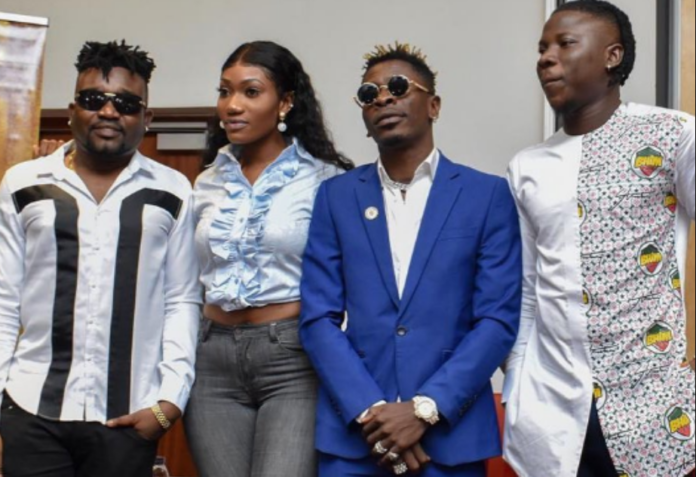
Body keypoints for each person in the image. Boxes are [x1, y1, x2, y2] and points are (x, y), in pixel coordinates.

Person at [299, 42, 522, 477]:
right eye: (369, 94)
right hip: (356, 438)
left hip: (450, 438)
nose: (383, 98)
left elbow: (496, 320)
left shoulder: (486, 195)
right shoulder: (336, 197)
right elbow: (317, 318)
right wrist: (373, 413)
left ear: (433, 105)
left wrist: (424, 409)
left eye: (398, 87)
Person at [503, 2, 696, 476]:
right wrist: (515, 388)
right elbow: (527, 289)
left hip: (654, 407)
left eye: (564, 44)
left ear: (613, 56)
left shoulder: (672, 134)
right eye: (542, 48)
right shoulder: (526, 167)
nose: (546, 58)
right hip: (554, 407)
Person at [0, 40, 201, 477]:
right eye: (94, 100)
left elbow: (182, 300)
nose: (109, 112)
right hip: (31, 409)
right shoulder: (23, 183)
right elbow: (3, 299)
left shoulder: (173, 191)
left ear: (146, 118)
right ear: (73, 109)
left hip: (129, 417)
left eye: (126, 104)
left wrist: (170, 400)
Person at [184, 41, 353, 477]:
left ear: (286, 102)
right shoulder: (206, 181)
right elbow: (186, 281)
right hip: (211, 359)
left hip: (292, 360)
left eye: (251, 91)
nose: (232, 105)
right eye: (225, 91)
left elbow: (351, 283)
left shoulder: (325, 180)